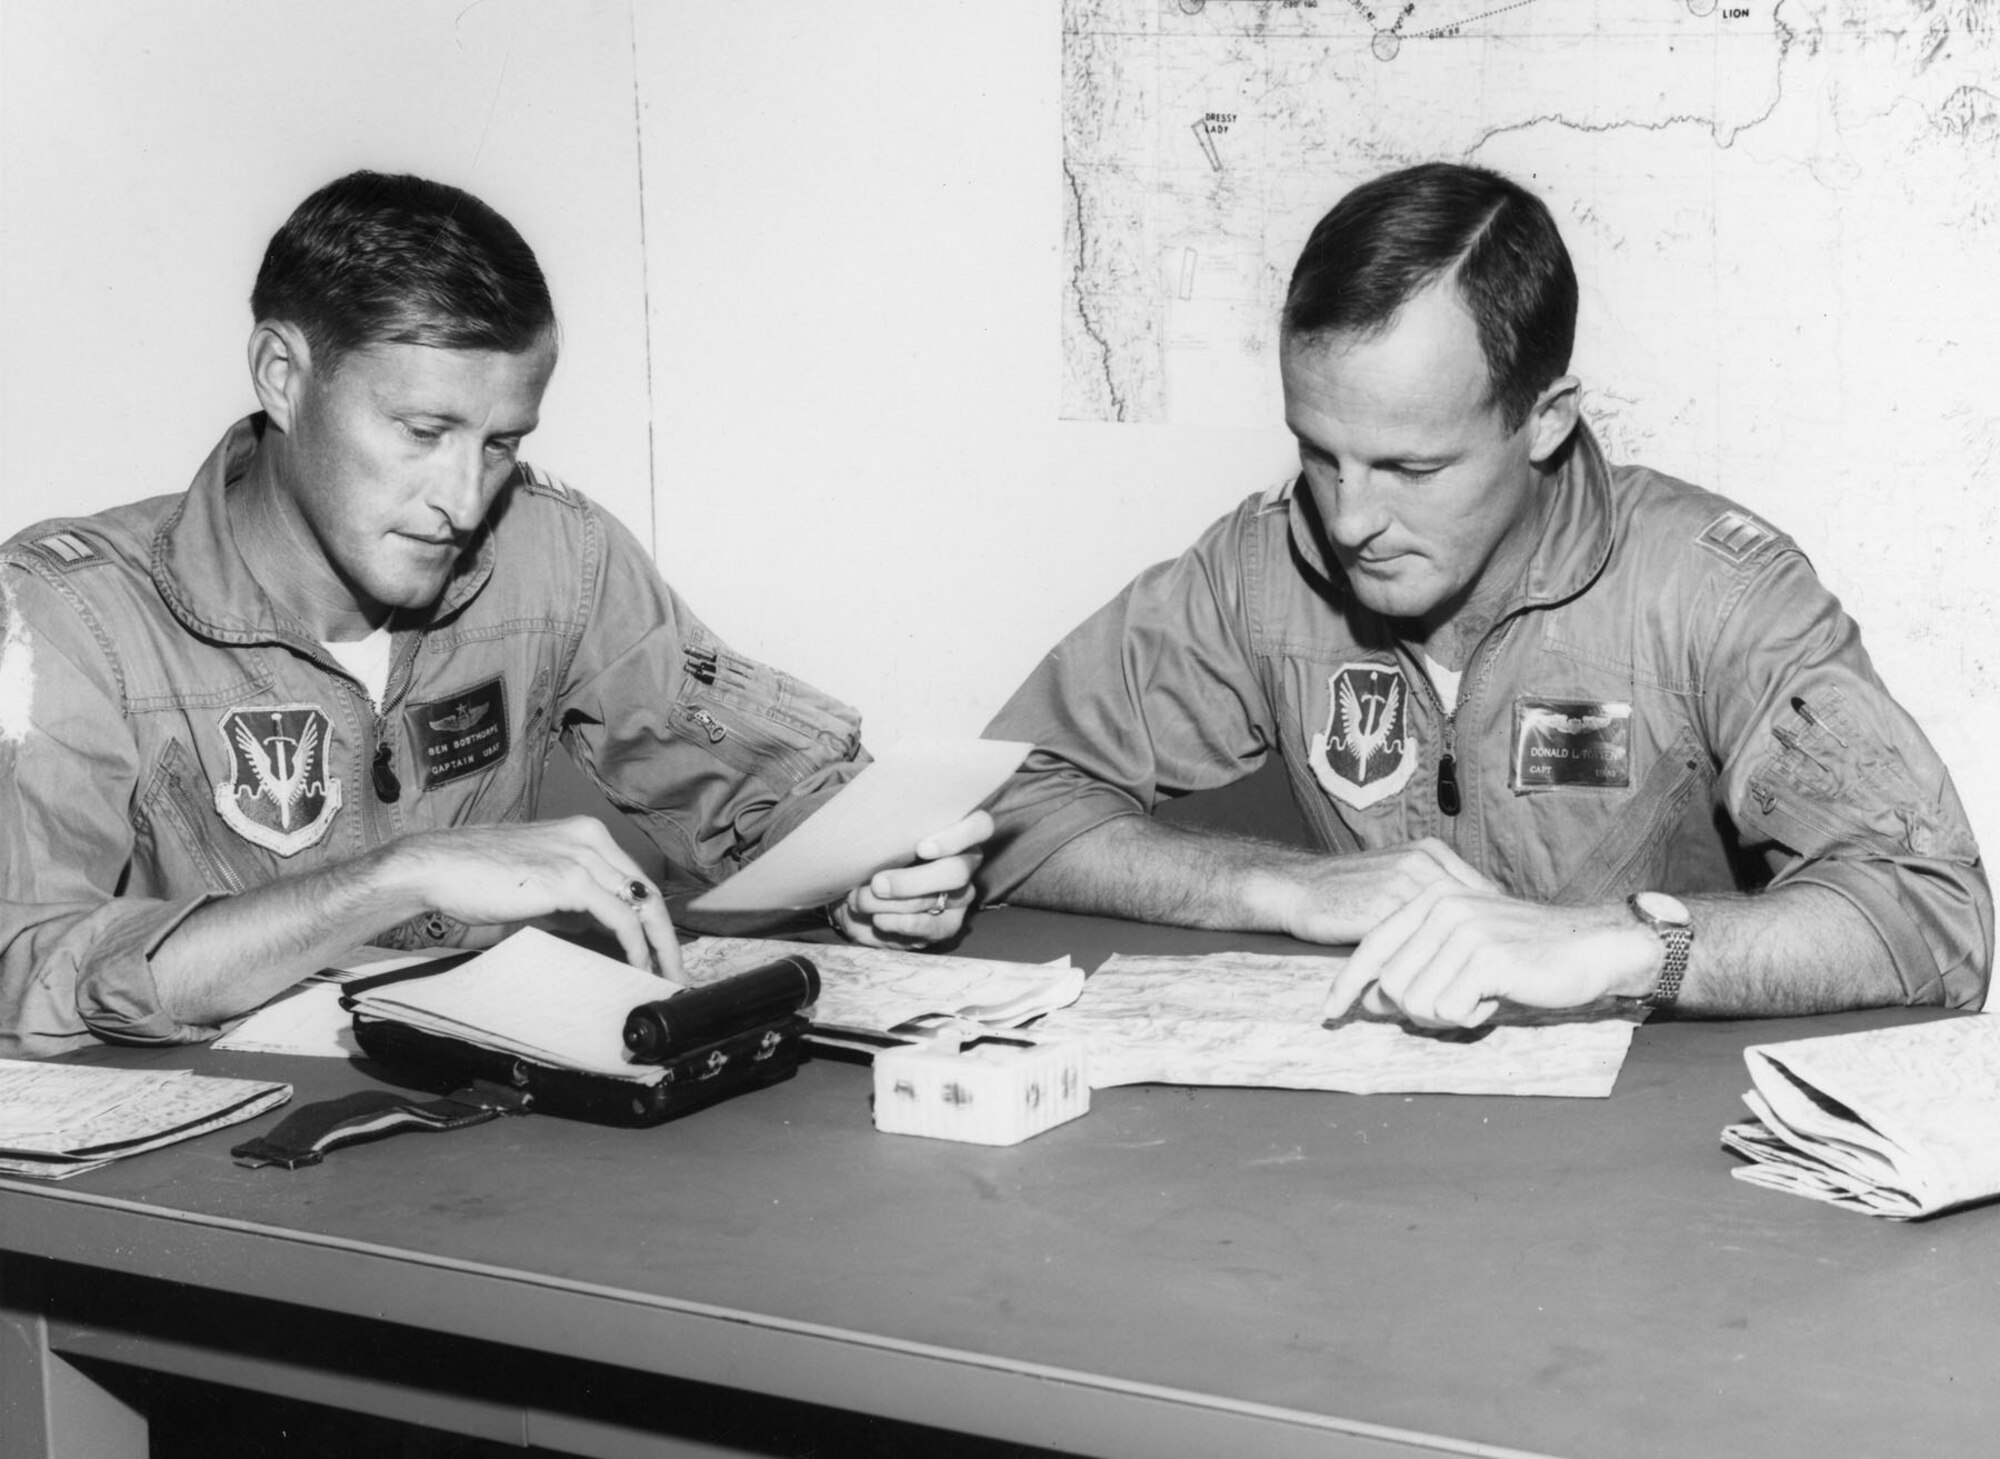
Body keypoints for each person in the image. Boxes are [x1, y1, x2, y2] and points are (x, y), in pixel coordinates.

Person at [0, 170, 987, 1059]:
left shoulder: (552, 551)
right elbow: (27, 968)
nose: (465, 500)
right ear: (281, 375)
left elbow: (765, 791)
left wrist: (874, 871)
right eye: (424, 432)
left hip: (499, 1133)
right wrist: (401, 873)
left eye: (501, 443)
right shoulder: (69, 609)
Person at [978, 161, 1990, 1027]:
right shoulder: (1260, 568)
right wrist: (1281, 884)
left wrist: (1613, 945)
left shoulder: (1710, 591)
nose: (1345, 520)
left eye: (1410, 469)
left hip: (1662, 1167)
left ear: (1542, 421)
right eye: (1318, 454)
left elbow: (1931, 913)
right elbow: (1009, 801)